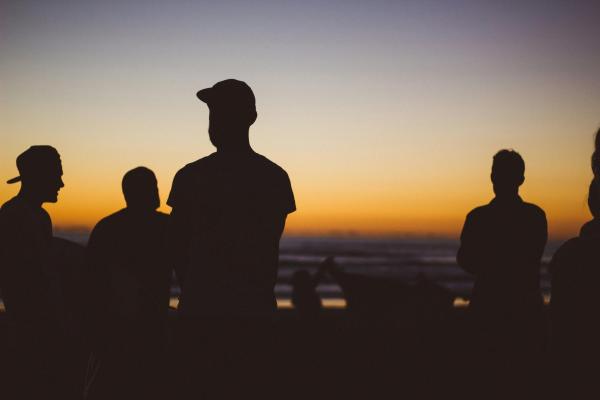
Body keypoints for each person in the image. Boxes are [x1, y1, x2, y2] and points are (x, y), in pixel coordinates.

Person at [167, 79, 295, 398]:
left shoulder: (191, 176)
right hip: (252, 312)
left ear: (249, 118)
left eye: (220, 114)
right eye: (213, 114)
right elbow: (268, 242)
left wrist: (195, 286)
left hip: (204, 312)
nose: (214, 122)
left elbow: (176, 244)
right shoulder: (274, 177)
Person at [84, 167, 170, 400]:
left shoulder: (107, 227)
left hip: (116, 323)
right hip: (149, 322)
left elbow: (91, 281)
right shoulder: (166, 227)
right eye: (153, 187)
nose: (157, 192)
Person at [0, 145, 73, 399]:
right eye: (57, 176)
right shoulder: (16, 216)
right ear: (39, 177)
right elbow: (34, 276)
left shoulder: (37, 216)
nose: (61, 184)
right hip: (32, 327)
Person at [457, 150, 547, 348]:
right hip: (527, 307)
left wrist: (489, 264)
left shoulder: (477, 217)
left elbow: (465, 260)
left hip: (487, 305)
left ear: (492, 177)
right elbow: (534, 256)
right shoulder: (535, 216)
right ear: (521, 179)